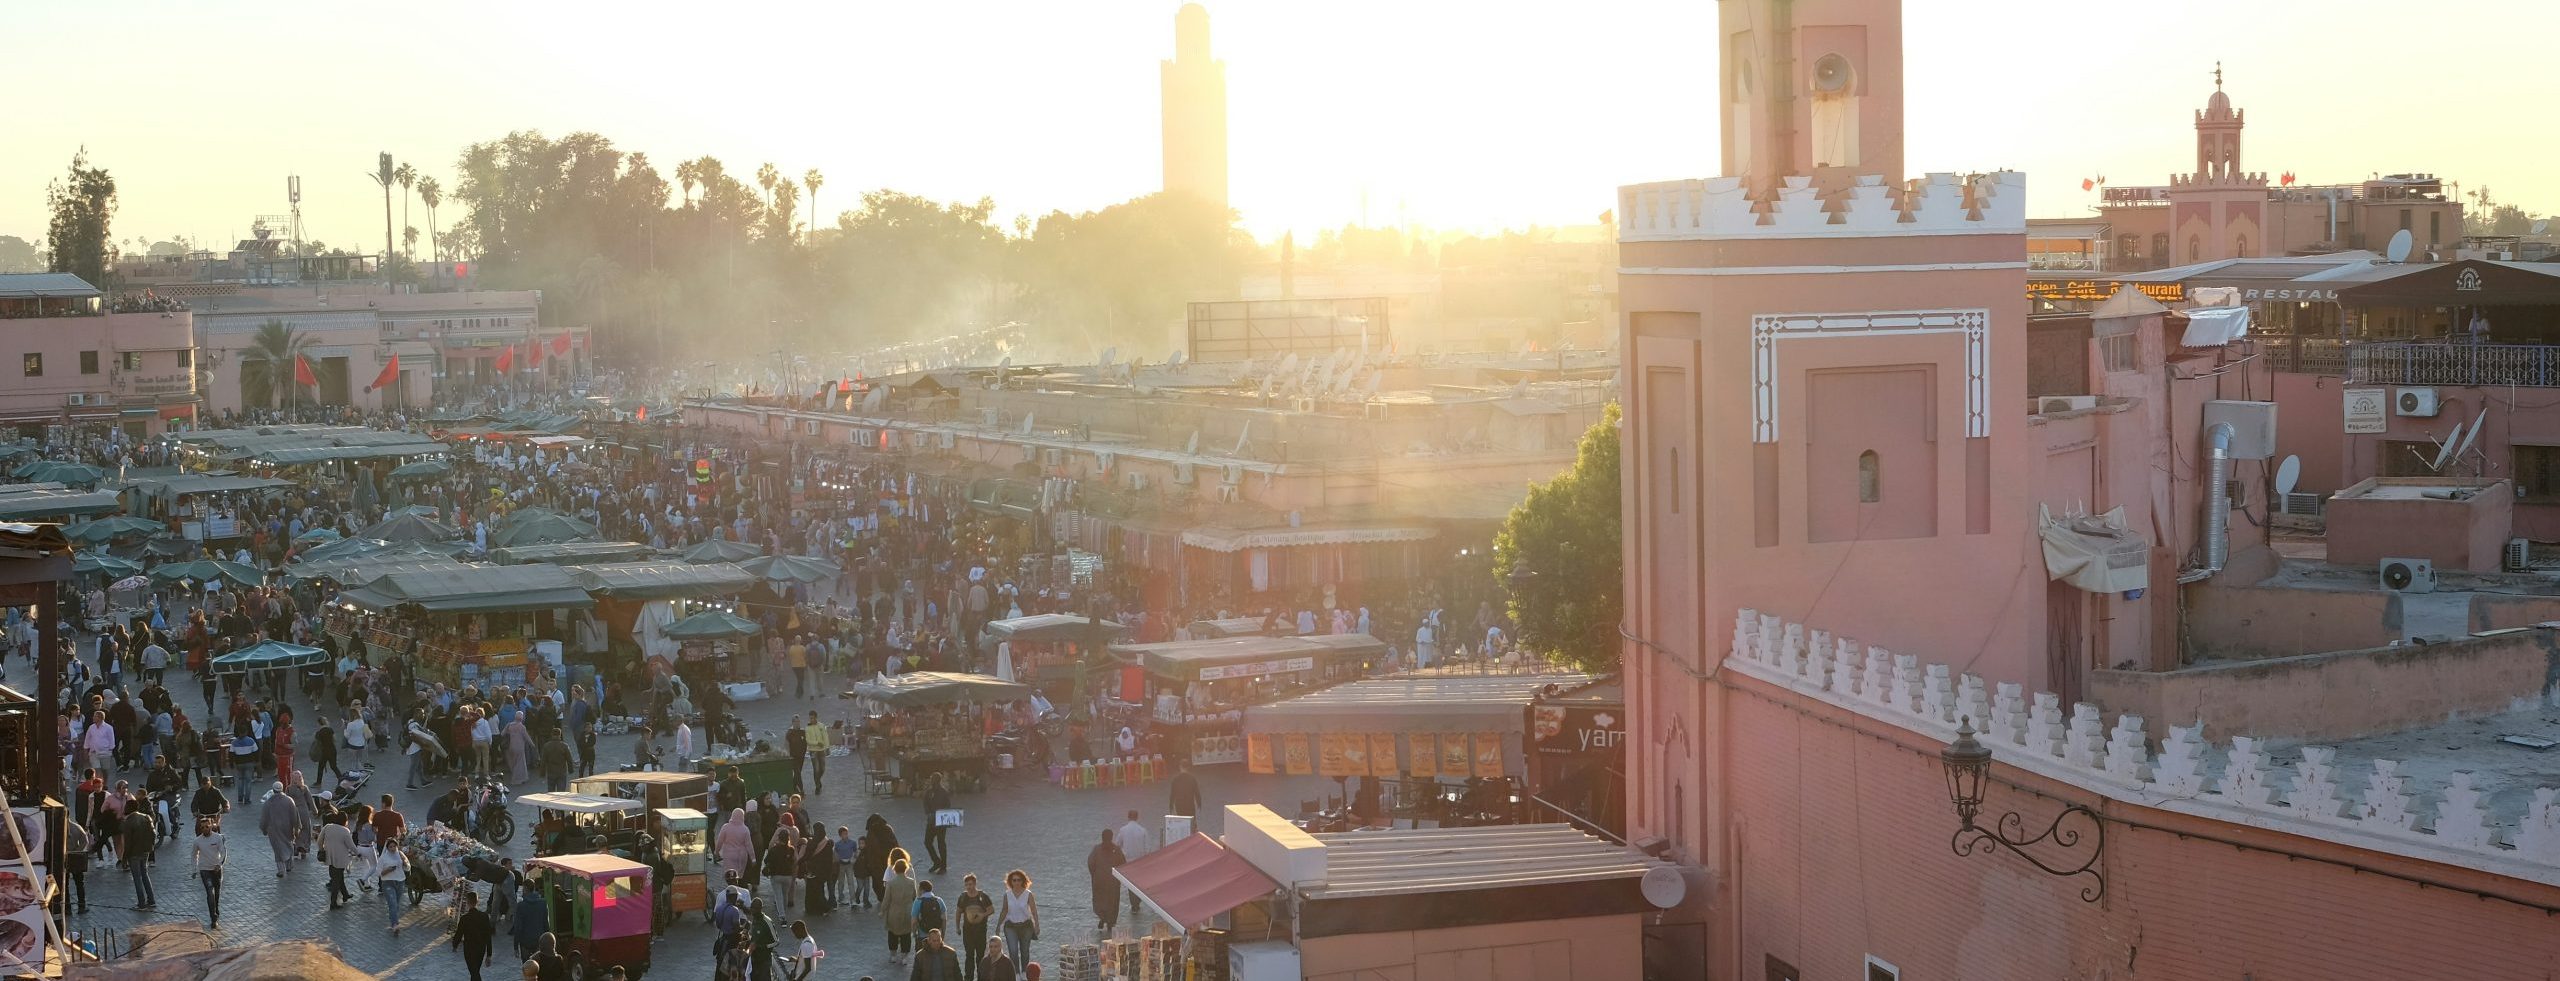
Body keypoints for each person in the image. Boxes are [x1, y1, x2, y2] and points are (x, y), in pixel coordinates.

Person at [954, 874, 995, 981]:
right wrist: (957, 927)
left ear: (975, 884)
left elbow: (991, 909)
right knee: (969, 955)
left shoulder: (983, 896)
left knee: (980, 955)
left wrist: (983, 915)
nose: (968, 887)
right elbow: (958, 913)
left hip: (981, 930)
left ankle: (981, 977)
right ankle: (969, 978)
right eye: (966, 884)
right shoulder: (963, 897)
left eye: (970, 884)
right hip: (968, 931)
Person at [881, 853, 919, 966]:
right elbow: (915, 897)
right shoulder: (911, 882)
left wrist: (882, 910)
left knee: (892, 933)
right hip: (907, 911)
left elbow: (886, 899)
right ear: (906, 868)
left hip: (893, 911)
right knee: (906, 934)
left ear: (895, 869)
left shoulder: (891, 883)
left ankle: (893, 955)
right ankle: (904, 957)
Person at [1086, 829, 1124, 935]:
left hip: (1099, 880)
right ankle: (1110, 922)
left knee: (1100, 900)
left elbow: (1091, 863)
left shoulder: (1097, 849)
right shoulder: (1116, 850)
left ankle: (1103, 917)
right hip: (1113, 881)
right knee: (1112, 902)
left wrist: (1094, 875)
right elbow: (1122, 863)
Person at [453, 890, 497, 981]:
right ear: (477, 901)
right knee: (475, 971)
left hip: (469, 950)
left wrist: (455, 945)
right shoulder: (484, 917)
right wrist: (489, 954)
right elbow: (488, 936)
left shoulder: (464, 918)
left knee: (474, 972)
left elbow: (459, 933)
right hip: (481, 949)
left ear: (467, 902)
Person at [119, 803, 157, 909]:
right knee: (145, 874)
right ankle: (151, 900)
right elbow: (153, 834)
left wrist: (124, 858)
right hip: (145, 850)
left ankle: (141, 903)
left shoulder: (128, 822)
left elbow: (128, 843)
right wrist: (150, 847)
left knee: (137, 878)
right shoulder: (146, 817)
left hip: (134, 853)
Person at [997, 868, 1037, 968]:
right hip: (1011, 926)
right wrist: (998, 925)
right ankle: (1016, 974)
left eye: (1019, 880)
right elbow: (1004, 910)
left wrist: (1037, 925)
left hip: (1026, 926)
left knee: (1025, 951)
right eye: (1014, 880)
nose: (1016, 882)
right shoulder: (1007, 895)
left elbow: (1033, 910)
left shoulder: (1028, 894)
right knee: (1013, 951)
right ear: (1010, 881)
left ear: (1023, 881)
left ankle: (1024, 973)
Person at [259, 781, 299, 877]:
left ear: (273, 790)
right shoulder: (289, 800)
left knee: (278, 849)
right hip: (287, 827)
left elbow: (264, 818)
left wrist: (263, 829)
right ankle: (289, 865)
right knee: (289, 844)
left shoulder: (268, 803)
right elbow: (295, 816)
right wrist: (296, 828)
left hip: (273, 829)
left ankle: (281, 870)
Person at [1112, 811, 1148, 916]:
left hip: (1127, 860)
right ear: (1137, 817)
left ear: (1128, 817)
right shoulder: (1143, 830)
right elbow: (1147, 848)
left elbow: (1117, 844)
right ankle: (1137, 901)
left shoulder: (1123, 830)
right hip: (1140, 860)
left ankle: (1134, 904)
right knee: (1139, 883)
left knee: (1131, 884)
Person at [320, 811, 358, 908]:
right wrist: (358, 853)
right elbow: (351, 846)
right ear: (345, 820)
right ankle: (333, 903)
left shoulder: (327, 827)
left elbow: (320, 840)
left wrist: (321, 849)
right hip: (340, 858)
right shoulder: (345, 831)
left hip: (329, 856)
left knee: (338, 877)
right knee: (336, 880)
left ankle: (345, 895)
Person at [191, 816, 224, 927]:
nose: (205, 829)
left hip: (216, 870)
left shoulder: (218, 838)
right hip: (204, 870)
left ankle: (216, 909)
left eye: (207, 826)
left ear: (211, 825)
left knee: (217, 893)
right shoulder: (197, 841)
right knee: (210, 892)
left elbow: (223, 852)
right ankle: (213, 918)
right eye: (203, 827)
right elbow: (194, 855)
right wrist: (194, 869)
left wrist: (219, 865)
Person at [376, 838, 410, 935]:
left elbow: (408, 867)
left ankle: (393, 918)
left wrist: (404, 862)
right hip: (388, 882)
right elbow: (378, 872)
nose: (393, 848)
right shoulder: (383, 858)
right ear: (387, 848)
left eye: (394, 846)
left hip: (400, 881)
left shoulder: (400, 854)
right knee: (393, 903)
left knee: (396, 903)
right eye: (390, 847)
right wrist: (387, 870)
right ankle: (395, 924)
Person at [921, 774, 952, 874]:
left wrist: (940, 814)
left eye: (932, 779)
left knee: (941, 843)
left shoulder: (943, 792)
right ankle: (936, 861)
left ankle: (943, 866)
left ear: (937, 781)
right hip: (931, 820)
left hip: (941, 820)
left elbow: (948, 806)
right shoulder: (929, 792)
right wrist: (928, 812)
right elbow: (925, 802)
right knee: (927, 842)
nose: (931, 781)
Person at [510, 884, 548, 961]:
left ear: (526, 889)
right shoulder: (543, 903)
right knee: (539, 966)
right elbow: (546, 924)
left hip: (525, 941)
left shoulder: (521, 906)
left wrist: (515, 946)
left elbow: (518, 927)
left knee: (527, 968)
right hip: (539, 940)